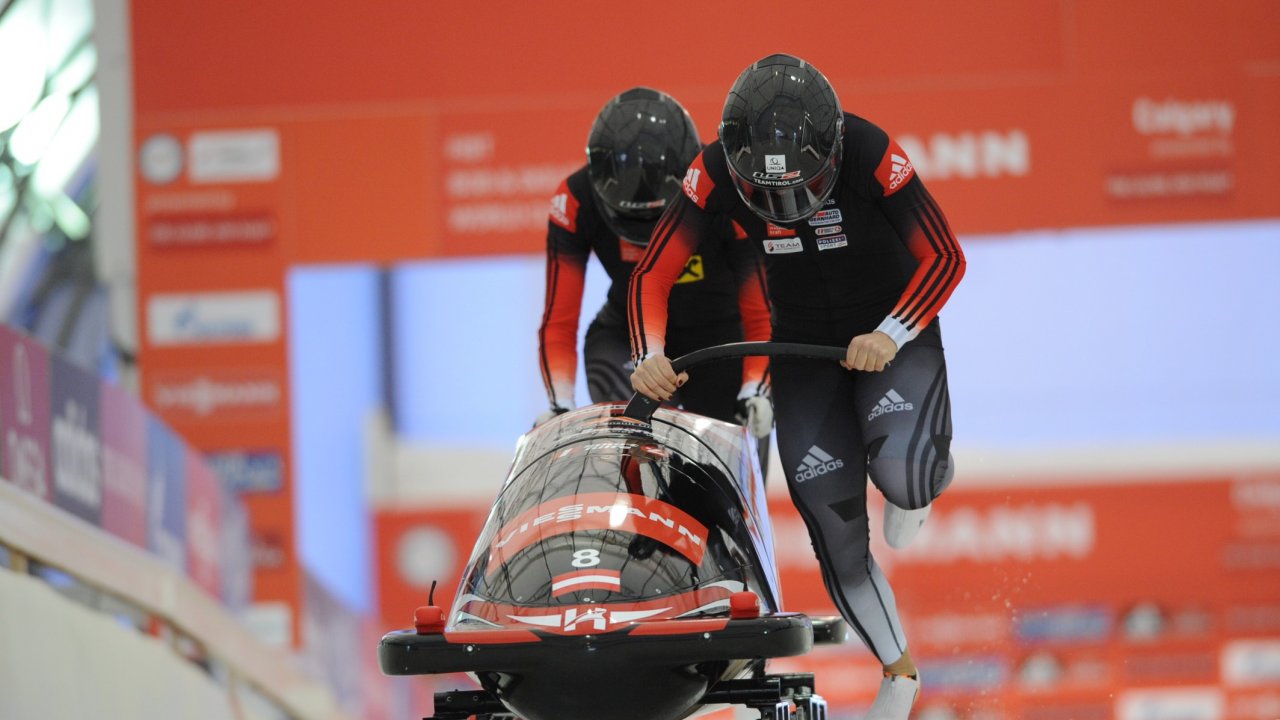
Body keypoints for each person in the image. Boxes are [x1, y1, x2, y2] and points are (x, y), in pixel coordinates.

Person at [628, 54, 966, 719]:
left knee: (904, 473)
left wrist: (893, 331)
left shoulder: (871, 151)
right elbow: (651, 274)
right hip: (804, 348)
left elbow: (945, 255)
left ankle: (922, 481)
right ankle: (898, 671)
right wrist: (649, 354)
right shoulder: (711, 173)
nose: (786, 208)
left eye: (801, 189)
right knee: (833, 528)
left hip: (890, 333)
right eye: (768, 197)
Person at [536, 87, 773, 437]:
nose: (651, 238)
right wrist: (560, 403)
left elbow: (761, 311)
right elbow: (559, 319)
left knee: (719, 469)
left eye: (663, 221)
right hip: (625, 337)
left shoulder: (724, 185)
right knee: (632, 448)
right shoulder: (575, 200)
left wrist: (755, 386)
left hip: (721, 342)